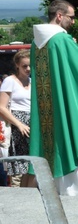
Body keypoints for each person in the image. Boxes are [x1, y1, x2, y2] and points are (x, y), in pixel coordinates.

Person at [30, 0, 78, 197]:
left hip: (49, 106)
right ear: (59, 16)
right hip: (67, 106)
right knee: (74, 133)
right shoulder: (62, 40)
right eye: (71, 17)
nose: (74, 22)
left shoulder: (35, 43)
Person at [0, 50, 33, 187]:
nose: (28, 69)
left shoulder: (32, 81)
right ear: (17, 66)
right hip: (16, 126)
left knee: (29, 168)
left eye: (30, 66)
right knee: (17, 170)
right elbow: (2, 107)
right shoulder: (10, 81)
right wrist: (19, 124)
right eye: (24, 66)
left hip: (31, 126)